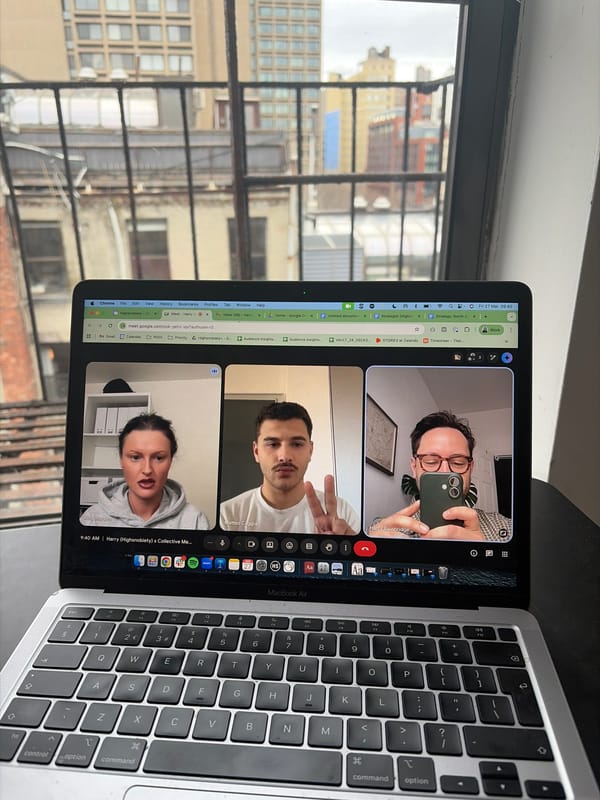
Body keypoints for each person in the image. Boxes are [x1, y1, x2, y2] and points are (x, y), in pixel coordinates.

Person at [368, 410, 511, 542]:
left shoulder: (505, 529)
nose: (444, 471)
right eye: (431, 461)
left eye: (458, 462)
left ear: (470, 468)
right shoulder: (381, 530)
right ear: (414, 467)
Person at [220, 401, 359, 534]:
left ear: (310, 451)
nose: (284, 456)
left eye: (297, 444)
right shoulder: (226, 516)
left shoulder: (342, 514)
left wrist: (342, 550)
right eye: (273, 444)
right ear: (256, 452)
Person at [80, 412, 209, 529]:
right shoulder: (91, 519)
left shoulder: (195, 521)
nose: (147, 470)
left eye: (159, 458)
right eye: (135, 457)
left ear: (170, 461)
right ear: (121, 460)